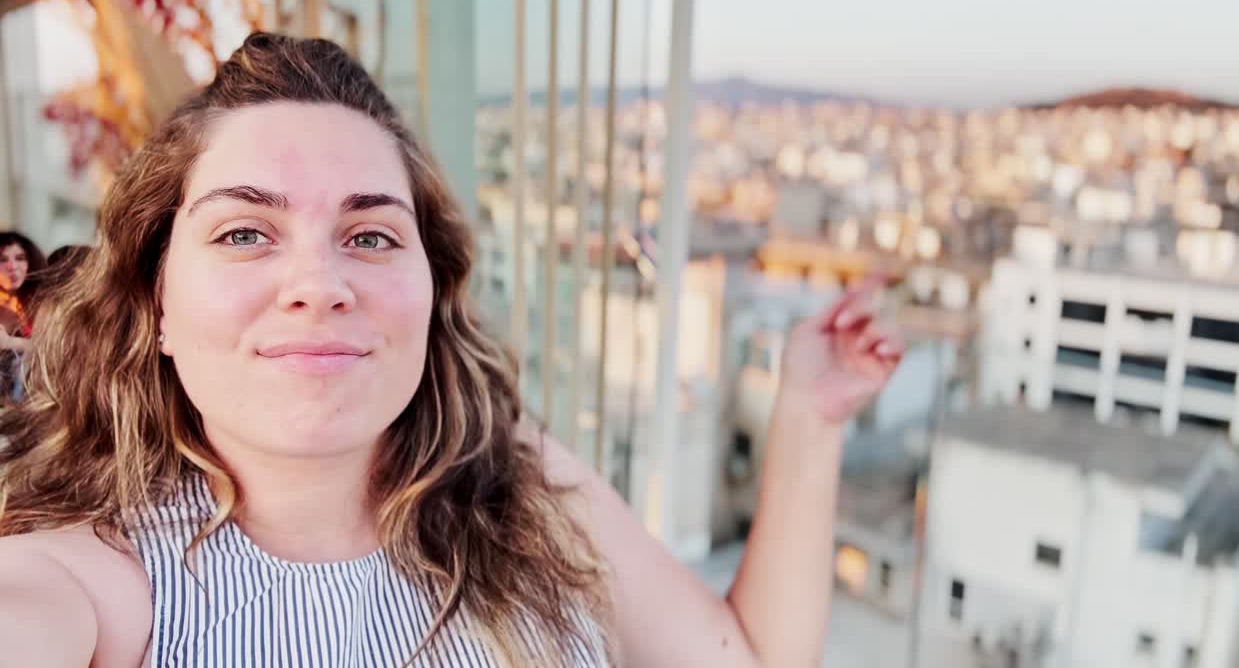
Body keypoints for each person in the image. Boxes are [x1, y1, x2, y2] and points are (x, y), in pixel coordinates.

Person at [0, 33, 902, 667]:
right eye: (244, 233)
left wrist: (810, 415)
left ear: (432, 292)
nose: (318, 283)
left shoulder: (519, 485)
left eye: (371, 237)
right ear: (157, 300)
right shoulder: (95, 583)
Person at [0, 231, 45, 400]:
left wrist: (10, 343)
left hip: (29, 396)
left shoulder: (43, 302)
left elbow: (54, 348)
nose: (12, 266)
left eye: (20, 258)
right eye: (3, 260)